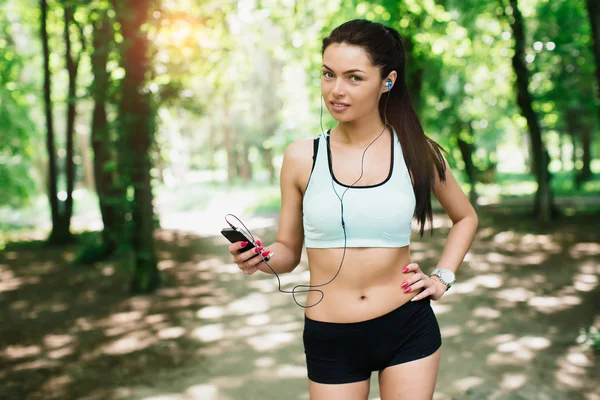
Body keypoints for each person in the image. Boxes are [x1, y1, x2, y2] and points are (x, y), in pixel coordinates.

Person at [227, 19, 478, 400]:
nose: (336, 90)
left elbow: (466, 217)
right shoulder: (301, 157)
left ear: (387, 81)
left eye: (354, 77)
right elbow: (288, 253)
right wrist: (258, 259)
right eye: (328, 74)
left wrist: (442, 278)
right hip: (332, 335)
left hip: (407, 327)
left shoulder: (414, 152)